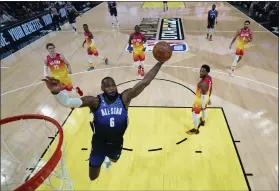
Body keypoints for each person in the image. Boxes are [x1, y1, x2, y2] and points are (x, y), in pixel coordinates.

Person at [42, 60, 165, 181]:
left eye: (113, 85)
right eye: (107, 86)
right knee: (93, 177)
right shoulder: (94, 101)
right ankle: (101, 159)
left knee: (114, 160)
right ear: (102, 88)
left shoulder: (125, 98)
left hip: (116, 143)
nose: (111, 88)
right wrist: (55, 92)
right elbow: (68, 102)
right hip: (98, 144)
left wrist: (160, 62)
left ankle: (110, 159)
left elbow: (145, 82)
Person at [187, 65, 212, 135]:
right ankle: (203, 121)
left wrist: (202, 104)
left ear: (207, 72)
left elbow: (203, 94)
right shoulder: (209, 78)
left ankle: (195, 129)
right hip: (207, 97)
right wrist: (209, 98)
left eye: (203, 71)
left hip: (200, 100)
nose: (201, 73)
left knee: (194, 113)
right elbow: (211, 88)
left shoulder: (202, 84)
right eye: (200, 71)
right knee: (204, 109)